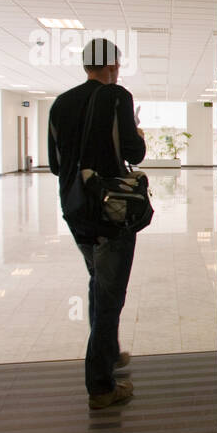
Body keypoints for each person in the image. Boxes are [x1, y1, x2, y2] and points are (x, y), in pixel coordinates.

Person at [48, 39, 145, 410]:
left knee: (97, 282)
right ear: (113, 66)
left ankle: (110, 351)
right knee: (110, 296)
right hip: (110, 210)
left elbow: (56, 164)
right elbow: (133, 153)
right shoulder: (117, 97)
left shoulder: (60, 103)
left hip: (74, 207)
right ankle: (101, 386)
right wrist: (136, 132)